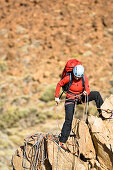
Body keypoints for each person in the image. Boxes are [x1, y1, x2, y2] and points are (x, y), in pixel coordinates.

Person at [55, 64, 104, 150]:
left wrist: (86, 92)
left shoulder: (84, 78)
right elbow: (59, 84)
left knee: (96, 94)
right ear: (73, 73)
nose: (77, 78)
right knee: (68, 120)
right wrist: (56, 97)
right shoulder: (68, 78)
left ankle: (103, 114)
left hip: (80, 97)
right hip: (70, 99)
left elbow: (88, 88)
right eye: (75, 76)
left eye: (79, 77)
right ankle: (62, 141)